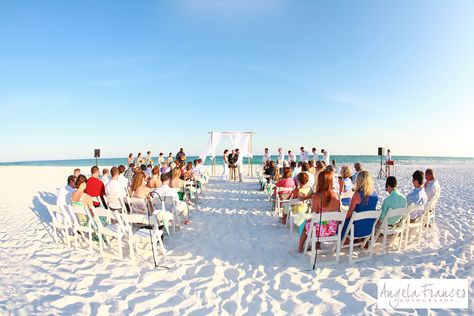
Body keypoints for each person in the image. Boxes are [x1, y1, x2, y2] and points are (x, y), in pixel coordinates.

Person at [298, 171, 340, 252]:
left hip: (319, 231)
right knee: (321, 222)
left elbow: (313, 215)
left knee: (306, 225)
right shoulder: (336, 195)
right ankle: (317, 245)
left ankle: (300, 248)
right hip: (332, 230)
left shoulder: (317, 196)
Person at [341, 170, 378, 241]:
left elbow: (348, 215)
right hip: (368, 229)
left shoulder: (357, 195)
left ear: (359, 180)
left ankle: (345, 240)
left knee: (340, 221)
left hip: (356, 230)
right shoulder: (375, 195)